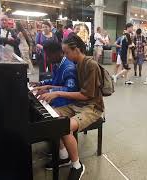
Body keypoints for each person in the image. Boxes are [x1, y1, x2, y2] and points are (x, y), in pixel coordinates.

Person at [37, 34, 104, 180]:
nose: (65, 55)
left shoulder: (90, 65)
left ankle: (77, 166)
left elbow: (86, 96)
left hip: (92, 107)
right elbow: (72, 89)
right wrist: (50, 87)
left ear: (77, 49)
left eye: (67, 52)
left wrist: (57, 92)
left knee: (64, 126)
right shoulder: (77, 63)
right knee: (51, 117)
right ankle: (64, 156)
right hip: (78, 104)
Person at [31, 41, 78, 108]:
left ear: (59, 53)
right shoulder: (56, 64)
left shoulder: (69, 69)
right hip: (57, 98)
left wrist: (49, 90)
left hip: (65, 103)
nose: (47, 59)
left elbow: (70, 89)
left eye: (49, 56)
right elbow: (55, 80)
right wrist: (41, 83)